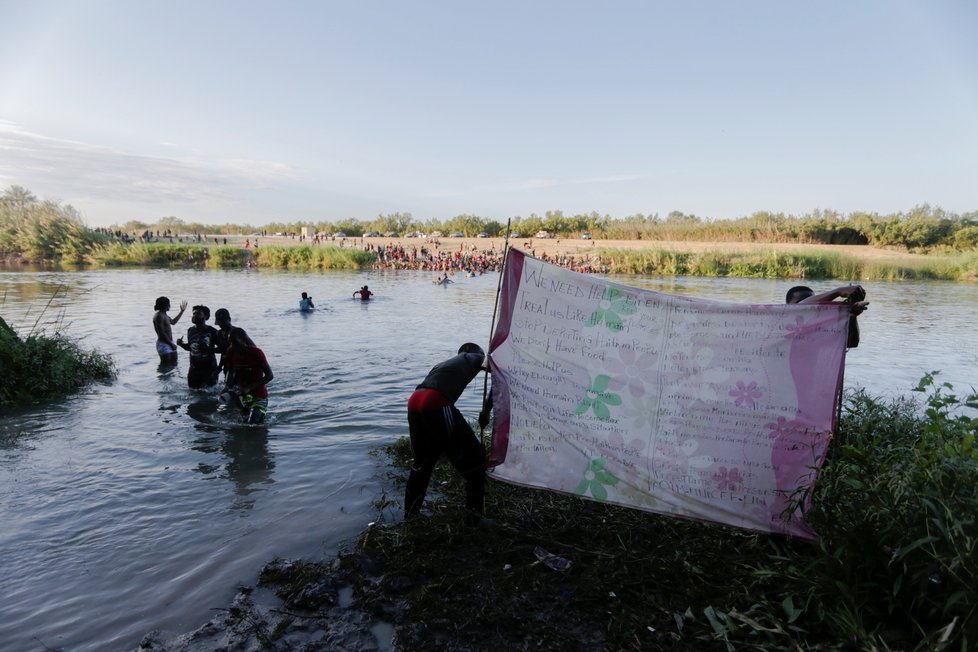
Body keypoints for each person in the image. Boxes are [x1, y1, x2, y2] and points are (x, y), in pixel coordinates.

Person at [405, 343, 492, 526]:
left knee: (423, 462)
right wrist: (486, 410)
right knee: (475, 461)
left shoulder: (445, 363)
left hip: (415, 401)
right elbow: (499, 375)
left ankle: (410, 517)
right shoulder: (475, 357)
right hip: (435, 402)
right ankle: (474, 520)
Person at [786, 284, 868, 347]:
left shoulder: (820, 330)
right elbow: (802, 306)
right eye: (799, 301)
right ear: (786, 305)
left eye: (814, 304)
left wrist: (851, 316)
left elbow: (851, 343)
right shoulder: (778, 324)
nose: (809, 308)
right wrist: (837, 291)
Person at [223, 328, 273, 424]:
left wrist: (249, 388)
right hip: (244, 398)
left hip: (259, 396)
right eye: (230, 342)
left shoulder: (257, 353)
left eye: (234, 342)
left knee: (253, 424)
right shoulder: (231, 351)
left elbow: (270, 375)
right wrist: (227, 386)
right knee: (245, 424)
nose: (232, 345)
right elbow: (231, 370)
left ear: (243, 340)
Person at [176, 305, 220, 388]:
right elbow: (191, 348)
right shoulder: (190, 330)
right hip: (194, 369)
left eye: (198, 313)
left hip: (209, 369)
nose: (194, 315)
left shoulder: (212, 331)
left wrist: (208, 349)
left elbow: (222, 349)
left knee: (210, 395)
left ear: (206, 317)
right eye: (193, 313)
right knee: (192, 393)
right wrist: (181, 344)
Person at [153, 296, 187, 364]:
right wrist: (171, 344)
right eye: (168, 304)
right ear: (165, 305)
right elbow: (161, 333)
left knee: (174, 363)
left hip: (169, 342)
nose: (169, 306)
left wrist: (182, 312)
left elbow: (173, 322)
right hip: (164, 343)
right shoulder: (159, 316)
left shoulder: (165, 315)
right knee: (166, 366)